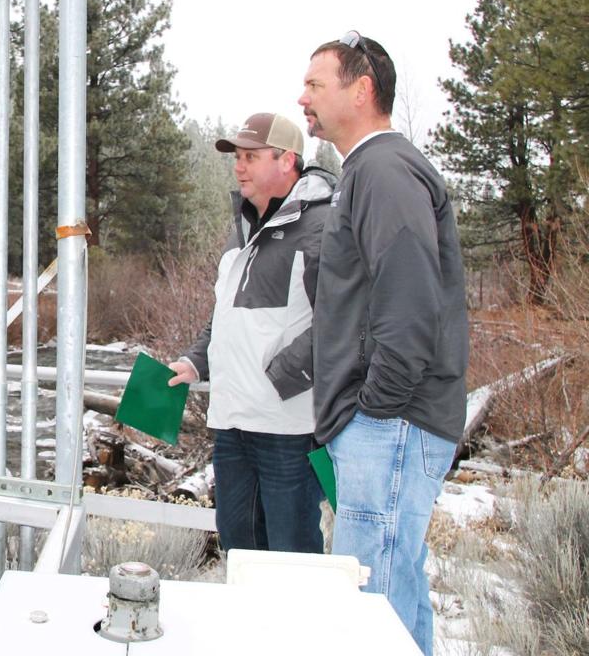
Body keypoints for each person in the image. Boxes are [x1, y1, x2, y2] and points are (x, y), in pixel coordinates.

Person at [298, 32, 467, 656]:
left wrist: (374, 407)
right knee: (395, 589)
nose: (303, 97)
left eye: (316, 84)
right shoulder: (365, 171)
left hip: (392, 421)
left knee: (373, 602)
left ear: (361, 89)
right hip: (383, 423)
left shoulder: (385, 170)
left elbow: (410, 297)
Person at [168, 112, 335, 555]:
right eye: (237, 158)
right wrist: (194, 361)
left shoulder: (323, 225)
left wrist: (281, 376)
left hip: (289, 429)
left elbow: (343, 323)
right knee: (239, 546)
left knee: (290, 555)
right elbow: (227, 314)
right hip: (231, 423)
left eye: (250, 157)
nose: (239, 167)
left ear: (288, 161)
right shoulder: (241, 227)